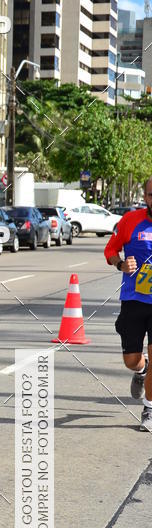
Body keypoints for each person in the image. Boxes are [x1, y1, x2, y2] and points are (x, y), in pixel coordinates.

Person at [104, 176, 152, 432]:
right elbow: (110, 250)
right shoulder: (130, 221)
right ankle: (141, 370)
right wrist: (121, 264)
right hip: (134, 299)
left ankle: (149, 409)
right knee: (131, 360)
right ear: (145, 197)